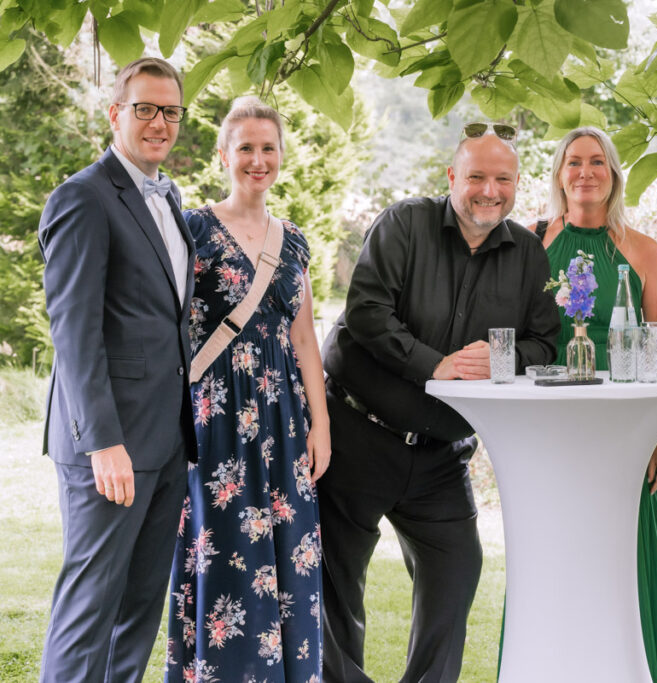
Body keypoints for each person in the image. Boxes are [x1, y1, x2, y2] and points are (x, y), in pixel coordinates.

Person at [318, 123, 560, 682]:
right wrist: (435, 364)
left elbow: (545, 343)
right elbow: (366, 311)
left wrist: (500, 358)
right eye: (476, 177)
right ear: (452, 176)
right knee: (334, 581)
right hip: (358, 434)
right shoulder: (404, 223)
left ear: (517, 184)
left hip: (441, 455)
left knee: (456, 570)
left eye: (503, 180)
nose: (489, 191)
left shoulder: (527, 253)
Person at [37, 57, 197, 682]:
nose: (160, 123)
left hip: (164, 441)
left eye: (171, 111)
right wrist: (103, 442)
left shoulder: (168, 196)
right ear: (115, 114)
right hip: (109, 446)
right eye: (145, 108)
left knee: (138, 609)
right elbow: (74, 333)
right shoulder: (83, 197)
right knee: (90, 610)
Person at [164, 97, 330, 681]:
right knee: (222, 547)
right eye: (245, 149)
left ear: (281, 155)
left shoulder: (294, 241)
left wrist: (321, 425)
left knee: (290, 552)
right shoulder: (192, 229)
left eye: (268, 148)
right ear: (223, 155)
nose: (258, 160)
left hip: (283, 419)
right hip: (214, 418)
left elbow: (304, 339)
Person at [530, 126, 657, 681]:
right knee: (556, 552)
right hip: (553, 428)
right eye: (574, 162)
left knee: (627, 554)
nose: (585, 172)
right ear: (559, 174)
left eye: (597, 162)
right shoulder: (531, 243)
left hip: (629, 430)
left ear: (614, 175)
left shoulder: (643, 250)